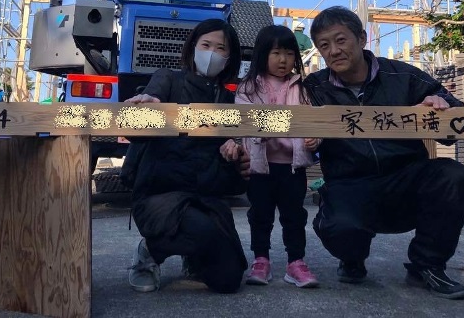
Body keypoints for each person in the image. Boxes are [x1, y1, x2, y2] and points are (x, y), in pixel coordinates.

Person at [302, 6, 464, 300]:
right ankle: (351, 257)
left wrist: (440, 105)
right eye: (324, 46)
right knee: (341, 227)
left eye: (340, 40)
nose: (334, 51)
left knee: (453, 175)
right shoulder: (313, 88)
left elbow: (457, 121)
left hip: (406, 178)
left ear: (361, 38)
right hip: (349, 183)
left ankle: (427, 265)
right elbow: (282, 123)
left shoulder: (404, 76)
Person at [124, 18, 251, 294]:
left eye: (221, 49)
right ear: (193, 47)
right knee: (203, 231)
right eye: (206, 45)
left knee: (228, 280)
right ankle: (149, 253)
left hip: (205, 200)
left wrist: (235, 156)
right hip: (160, 198)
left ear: (229, 59)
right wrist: (150, 104)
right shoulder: (167, 79)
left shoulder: (229, 103)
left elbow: (236, 180)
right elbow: (149, 103)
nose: (212, 54)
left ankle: (194, 253)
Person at [230, 24, 320, 288]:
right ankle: (261, 260)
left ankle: (296, 262)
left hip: (293, 167)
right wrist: (266, 127)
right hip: (261, 167)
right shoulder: (247, 89)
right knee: (260, 215)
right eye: (276, 53)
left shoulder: (302, 88)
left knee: (294, 215)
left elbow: (313, 121)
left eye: (290, 54)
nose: (284, 60)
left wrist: (315, 139)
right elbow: (247, 122)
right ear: (262, 54)